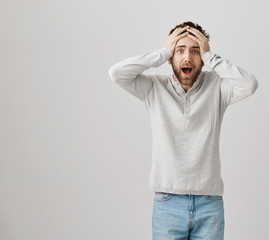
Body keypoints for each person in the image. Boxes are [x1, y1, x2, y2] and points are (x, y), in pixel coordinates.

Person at [108, 21, 258, 240]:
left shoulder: (217, 87)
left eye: (195, 51)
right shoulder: (154, 88)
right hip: (168, 203)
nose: (187, 57)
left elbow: (249, 85)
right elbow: (116, 73)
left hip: (209, 203)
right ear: (170, 57)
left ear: (203, 57)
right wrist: (162, 52)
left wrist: (210, 56)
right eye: (180, 50)